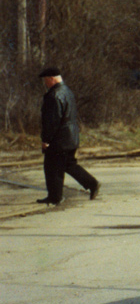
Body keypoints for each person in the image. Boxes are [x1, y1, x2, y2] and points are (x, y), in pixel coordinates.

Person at [38, 67, 99, 205]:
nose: (45, 84)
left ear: (51, 79)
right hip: (71, 136)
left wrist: (46, 140)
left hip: (59, 138)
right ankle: (92, 183)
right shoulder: (68, 91)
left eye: (45, 81)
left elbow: (52, 121)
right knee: (68, 164)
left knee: (52, 166)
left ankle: (55, 197)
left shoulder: (54, 95)